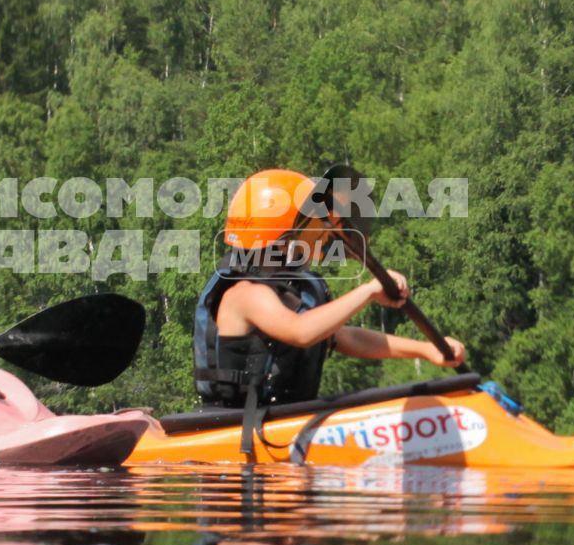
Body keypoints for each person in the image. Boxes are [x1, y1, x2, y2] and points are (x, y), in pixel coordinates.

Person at [194, 168, 466, 410]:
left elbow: (345, 337)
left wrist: (425, 349)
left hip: (285, 425)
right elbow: (301, 332)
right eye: (310, 228)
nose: (322, 237)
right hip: (241, 436)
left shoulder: (293, 290)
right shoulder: (244, 294)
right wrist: (368, 292)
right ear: (280, 238)